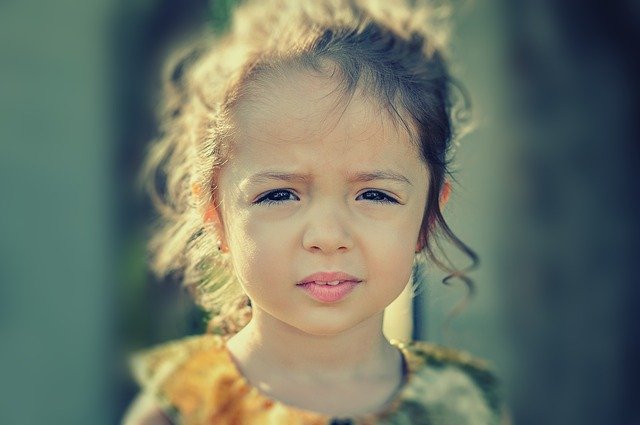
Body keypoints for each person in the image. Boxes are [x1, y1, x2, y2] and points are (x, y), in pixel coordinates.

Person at [124, 0, 506, 423]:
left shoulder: (460, 406)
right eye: (279, 195)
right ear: (215, 215)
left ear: (427, 218)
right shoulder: (180, 409)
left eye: (375, 195)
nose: (327, 236)